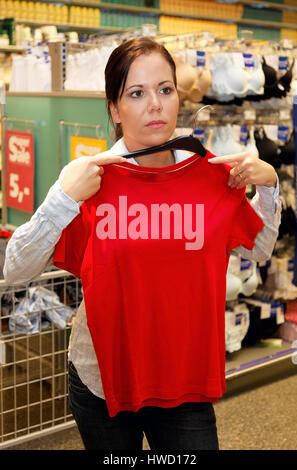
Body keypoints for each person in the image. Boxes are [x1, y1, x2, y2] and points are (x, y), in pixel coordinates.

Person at [4, 37, 281, 451]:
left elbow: (258, 251)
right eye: (136, 93)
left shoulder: (211, 178)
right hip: (102, 380)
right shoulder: (89, 180)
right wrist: (63, 199)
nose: (155, 104)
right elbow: (14, 268)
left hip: (183, 383)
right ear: (114, 109)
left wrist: (270, 188)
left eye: (165, 89)